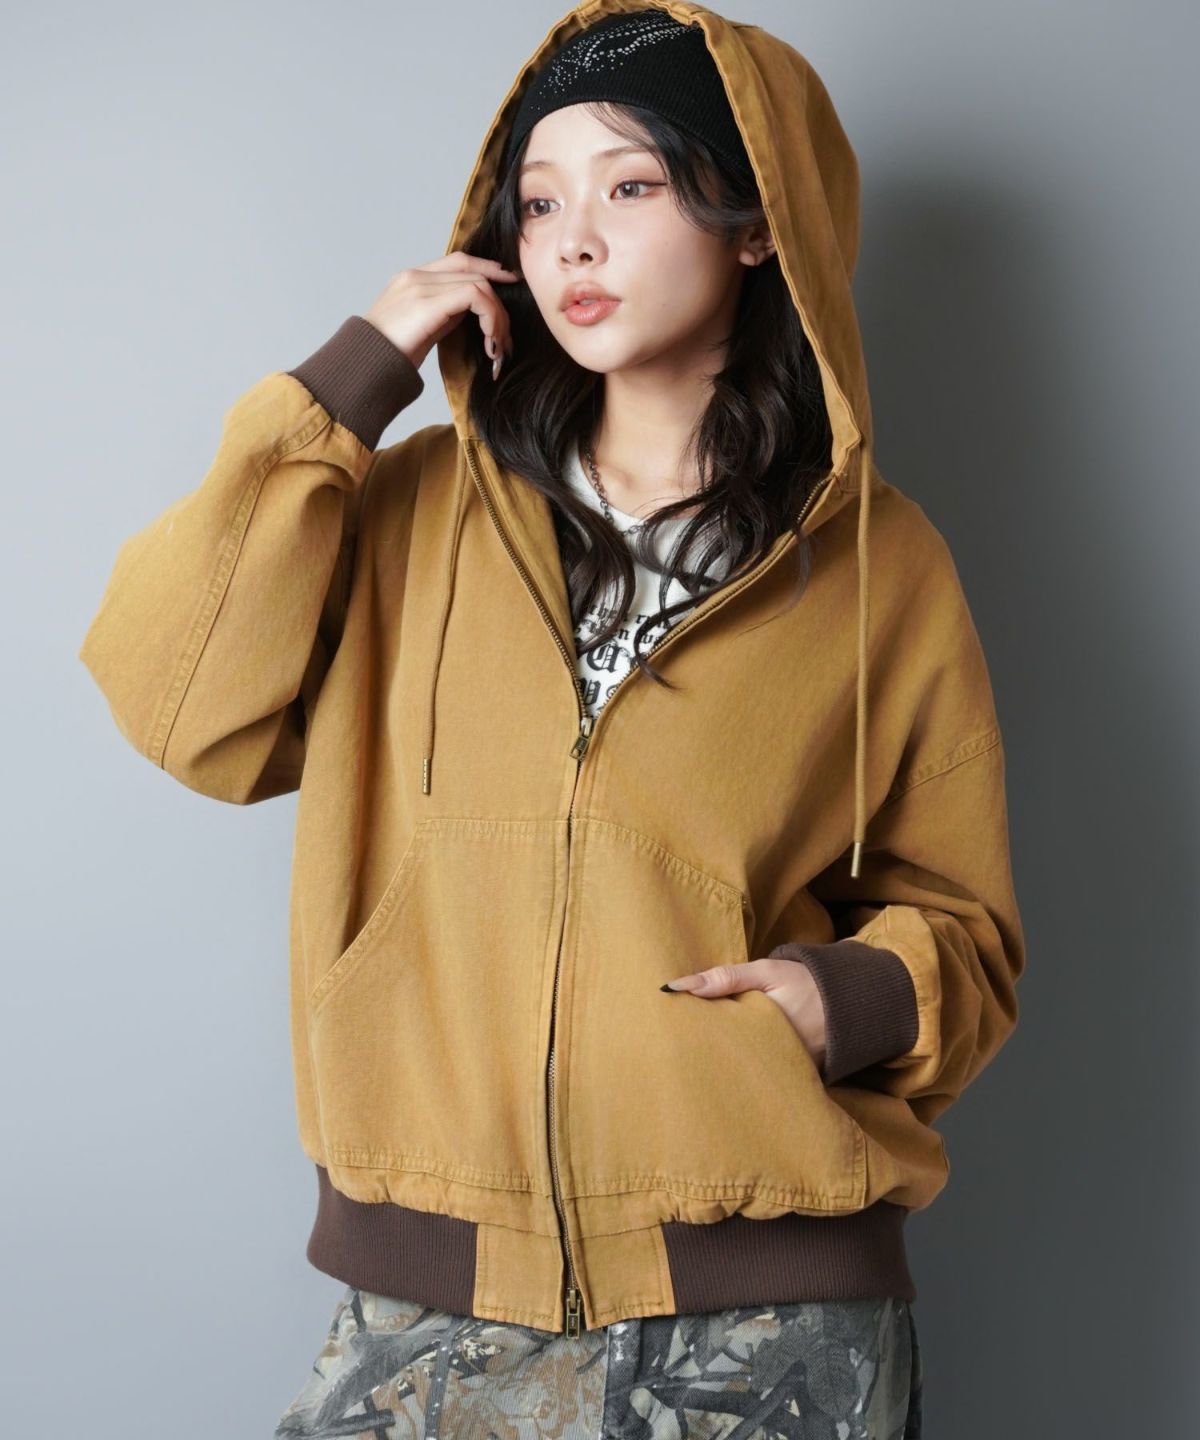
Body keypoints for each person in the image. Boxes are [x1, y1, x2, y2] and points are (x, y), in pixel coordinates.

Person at [78, 4, 1026, 1437]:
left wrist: (842, 1001)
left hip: (769, 1313)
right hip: (433, 1297)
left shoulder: (880, 566)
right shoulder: (405, 517)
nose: (571, 242)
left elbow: (964, 925)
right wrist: (351, 378)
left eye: (630, 186)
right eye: (538, 203)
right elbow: (178, 701)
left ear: (754, 223)